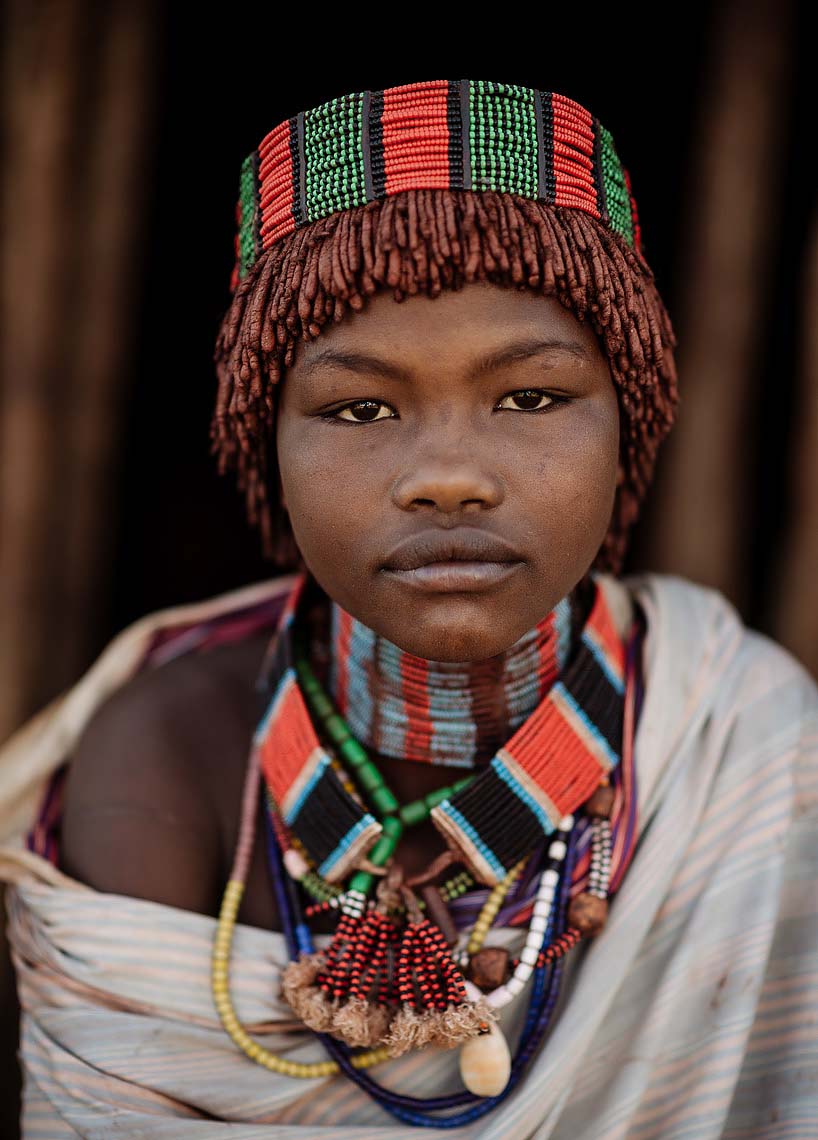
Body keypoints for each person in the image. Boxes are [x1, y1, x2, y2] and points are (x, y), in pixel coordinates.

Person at [1, 77, 816, 1139]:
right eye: (359, 407)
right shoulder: (167, 754)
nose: (447, 477)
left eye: (529, 397)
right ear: (267, 451)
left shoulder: (747, 746)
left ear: (631, 426)